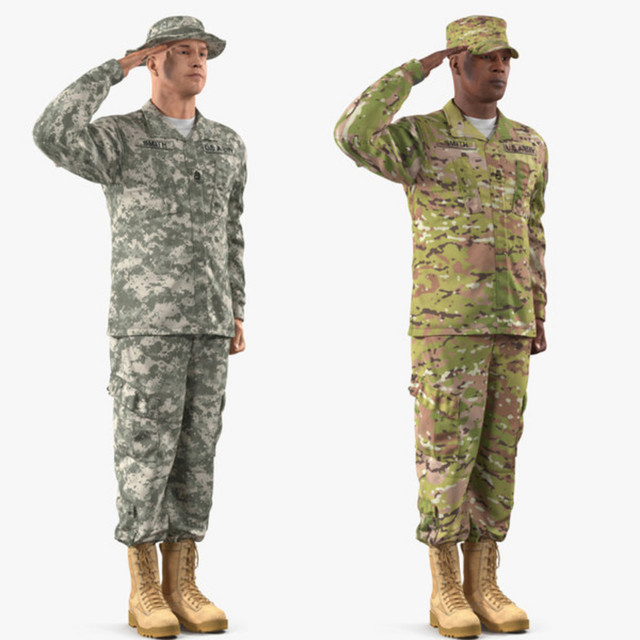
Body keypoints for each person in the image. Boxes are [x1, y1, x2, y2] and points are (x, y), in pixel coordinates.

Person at [334, 15, 548, 638]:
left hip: (511, 322)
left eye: (505, 57)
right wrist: (414, 69)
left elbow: (534, 229)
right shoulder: (420, 138)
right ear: (457, 63)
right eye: (485, 57)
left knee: (498, 456)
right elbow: (351, 133)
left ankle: (486, 581)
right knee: (446, 453)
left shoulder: (529, 144)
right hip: (447, 324)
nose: (499, 67)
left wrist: (538, 310)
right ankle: (446, 586)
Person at [33, 16, 247, 638]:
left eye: (203, 52)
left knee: (196, 457)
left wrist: (237, 308)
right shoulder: (120, 138)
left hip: (209, 323)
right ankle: (144, 587)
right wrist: (116, 66)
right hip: (146, 327)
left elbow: (232, 229)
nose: (197, 60)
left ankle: (184, 581)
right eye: (182, 51)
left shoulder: (227, 143)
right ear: (154, 61)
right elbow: (51, 131)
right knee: (144, 454)